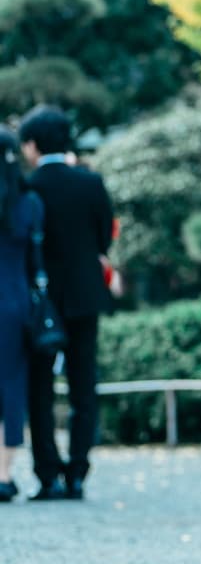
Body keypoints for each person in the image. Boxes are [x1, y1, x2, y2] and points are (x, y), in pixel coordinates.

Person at [19, 106, 115, 502]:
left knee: (39, 389)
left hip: (38, 303)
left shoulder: (27, 187)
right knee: (83, 386)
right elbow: (104, 239)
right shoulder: (91, 183)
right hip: (84, 295)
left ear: (33, 145)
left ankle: (47, 476)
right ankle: (77, 472)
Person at [0, 129, 44, 503]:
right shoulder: (28, 202)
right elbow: (35, 260)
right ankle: (4, 473)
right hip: (15, 302)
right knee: (12, 384)